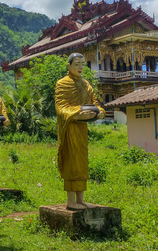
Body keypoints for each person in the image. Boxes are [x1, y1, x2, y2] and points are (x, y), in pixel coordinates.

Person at [55, 53, 105, 209]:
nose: (81, 67)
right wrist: (77, 113)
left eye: (83, 64)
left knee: (81, 162)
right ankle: (71, 201)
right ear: (68, 66)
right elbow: (61, 107)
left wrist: (100, 112)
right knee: (71, 161)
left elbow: (95, 103)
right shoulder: (62, 83)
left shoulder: (86, 85)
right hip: (69, 128)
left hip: (82, 129)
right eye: (77, 64)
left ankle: (81, 199)